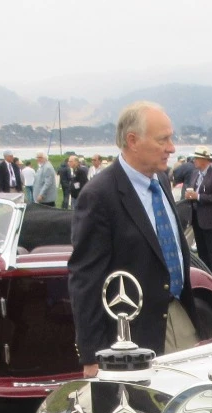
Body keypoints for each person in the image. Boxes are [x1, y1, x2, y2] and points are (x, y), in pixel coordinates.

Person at [69, 101, 202, 376]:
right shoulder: (99, 195)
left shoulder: (161, 181)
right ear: (133, 141)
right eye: (163, 139)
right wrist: (92, 356)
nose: (172, 148)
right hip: (133, 335)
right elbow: (85, 279)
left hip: (179, 314)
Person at [184, 146, 212, 273]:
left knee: (211, 251)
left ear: (204, 160)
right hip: (196, 217)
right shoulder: (195, 173)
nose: (194, 161)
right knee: (201, 250)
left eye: (196, 158)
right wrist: (189, 196)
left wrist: (198, 196)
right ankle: (204, 274)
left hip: (210, 219)